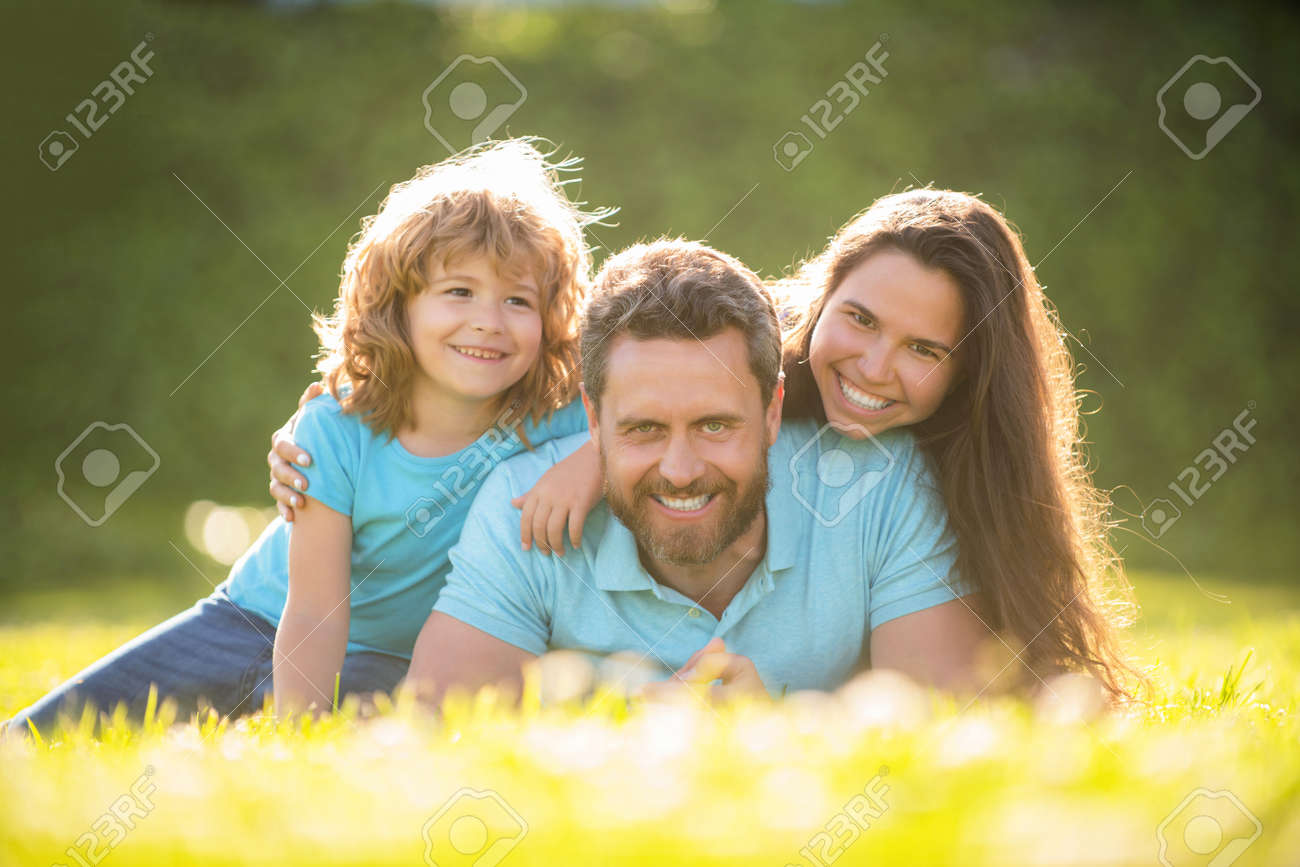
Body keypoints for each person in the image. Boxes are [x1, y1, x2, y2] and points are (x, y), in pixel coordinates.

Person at [5, 139, 608, 735]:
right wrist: (302, 730)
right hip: (252, 621)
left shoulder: (560, 419)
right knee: (43, 734)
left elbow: (652, 430)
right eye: (459, 291)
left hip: (389, 657)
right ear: (399, 305)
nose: (489, 320)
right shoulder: (337, 430)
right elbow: (317, 610)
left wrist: (594, 461)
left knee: (391, 728)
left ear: (552, 318)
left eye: (518, 300)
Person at [401, 239, 990, 704]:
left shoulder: (880, 487)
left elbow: (941, 740)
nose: (680, 471)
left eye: (714, 426)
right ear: (592, 419)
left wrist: (771, 740)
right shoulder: (522, 509)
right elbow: (439, 741)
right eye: (644, 429)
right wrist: (620, 743)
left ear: (773, 411)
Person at [776, 189, 1143, 700]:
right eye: (861, 319)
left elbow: (952, 699)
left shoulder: (963, 481)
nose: (874, 369)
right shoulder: (734, 390)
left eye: (923, 349)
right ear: (822, 297)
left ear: (967, 377)